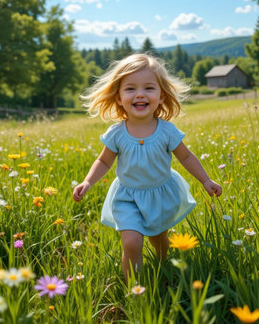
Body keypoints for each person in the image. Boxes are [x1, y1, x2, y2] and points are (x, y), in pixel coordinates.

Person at [73, 53, 222, 281]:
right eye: (130, 88)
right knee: (131, 242)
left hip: (159, 195)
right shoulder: (117, 134)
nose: (140, 94)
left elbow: (186, 157)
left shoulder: (167, 131)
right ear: (119, 97)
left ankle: (163, 268)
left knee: (159, 239)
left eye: (149, 88)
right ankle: (135, 288)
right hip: (127, 196)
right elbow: (104, 161)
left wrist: (205, 180)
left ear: (161, 96)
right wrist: (88, 181)